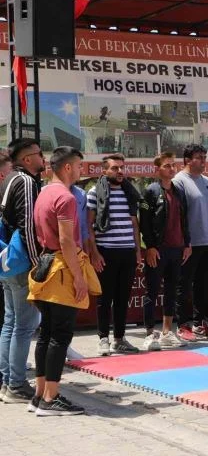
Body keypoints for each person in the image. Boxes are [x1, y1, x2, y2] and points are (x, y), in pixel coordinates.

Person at [30, 146, 100, 416]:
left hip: (46, 265)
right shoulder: (66, 197)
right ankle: (51, 398)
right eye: (80, 166)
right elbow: (66, 240)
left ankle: (39, 395)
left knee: (47, 333)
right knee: (60, 335)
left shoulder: (44, 192)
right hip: (61, 268)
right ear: (68, 167)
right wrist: (79, 278)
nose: (82, 170)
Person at [0, 141, 44, 404]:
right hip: (21, 261)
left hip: (8, 260)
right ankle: (16, 384)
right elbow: (27, 225)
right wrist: (37, 262)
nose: (43, 158)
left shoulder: (9, 179)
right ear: (27, 159)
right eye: (39, 154)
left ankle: (7, 382)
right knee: (24, 326)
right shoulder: (25, 182)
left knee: (11, 322)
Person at [87, 153, 142, 355]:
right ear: (104, 171)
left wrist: (137, 251)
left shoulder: (130, 192)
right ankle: (103, 338)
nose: (120, 171)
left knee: (122, 298)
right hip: (106, 251)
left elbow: (134, 224)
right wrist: (95, 253)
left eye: (122, 168)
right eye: (115, 168)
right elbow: (88, 226)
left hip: (127, 252)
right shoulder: (94, 192)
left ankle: (119, 339)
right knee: (105, 298)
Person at [139, 153, 191, 350]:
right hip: (158, 250)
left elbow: (184, 219)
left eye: (173, 165)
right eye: (167, 165)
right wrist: (150, 247)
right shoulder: (150, 191)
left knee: (172, 291)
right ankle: (149, 334)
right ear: (157, 169)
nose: (171, 169)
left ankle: (167, 332)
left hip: (177, 249)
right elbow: (144, 222)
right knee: (151, 291)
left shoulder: (179, 191)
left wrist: (187, 243)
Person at [173, 144, 208, 341]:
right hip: (190, 243)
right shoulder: (179, 181)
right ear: (187, 160)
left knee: (203, 285)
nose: (203, 161)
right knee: (184, 284)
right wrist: (184, 241)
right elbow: (178, 215)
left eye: (205, 157)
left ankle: (199, 323)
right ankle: (182, 325)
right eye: (199, 157)